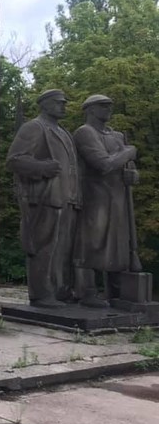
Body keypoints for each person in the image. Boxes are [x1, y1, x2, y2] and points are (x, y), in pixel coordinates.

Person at [7, 89, 81, 308]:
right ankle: (41, 294)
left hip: (68, 198)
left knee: (63, 249)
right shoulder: (34, 127)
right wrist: (42, 167)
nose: (63, 106)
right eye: (59, 102)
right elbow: (14, 160)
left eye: (64, 102)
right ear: (45, 104)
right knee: (43, 247)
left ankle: (60, 291)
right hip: (45, 198)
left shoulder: (64, 132)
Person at [73, 94, 139, 307]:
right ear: (90, 109)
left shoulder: (117, 136)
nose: (109, 109)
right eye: (103, 106)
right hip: (95, 197)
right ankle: (87, 292)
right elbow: (103, 165)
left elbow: (129, 169)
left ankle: (116, 293)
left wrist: (133, 175)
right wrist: (128, 153)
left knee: (118, 244)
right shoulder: (85, 132)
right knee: (92, 242)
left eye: (110, 105)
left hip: (118, 197)